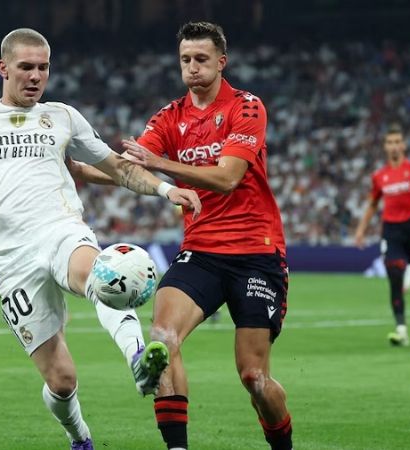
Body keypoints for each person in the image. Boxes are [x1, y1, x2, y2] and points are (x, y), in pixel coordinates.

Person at [0, 28, 202, 450]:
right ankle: (79, 436)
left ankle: (140, 359)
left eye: (43, 67)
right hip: (9, 258)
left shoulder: (62, 116)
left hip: (60, 229)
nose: (35, 76)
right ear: (3, 68)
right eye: (26, 67)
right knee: (62, 380)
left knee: (104, 276)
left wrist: (164, 189)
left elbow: (118, 167)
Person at [121, 21, 293, 450]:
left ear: (221, 61)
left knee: (254, 377)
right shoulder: (169, 117)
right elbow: (134, 165)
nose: (192, 67)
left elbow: (227, 178)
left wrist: (160, 163)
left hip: (257, 253)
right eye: (185, 60)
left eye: (201, 59)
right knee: (162, 340)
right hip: (200, 252)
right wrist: (79, 167)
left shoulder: (246, 107)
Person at [354, 124, 410, 346]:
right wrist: (361, 229)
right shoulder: (379, 176)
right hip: (391, 231)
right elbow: (373, 205)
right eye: (389, 142)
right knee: (395, 280)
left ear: (403, 145)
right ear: (385, 147)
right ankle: (401, 330)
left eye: (397, 142)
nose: (393, 146)